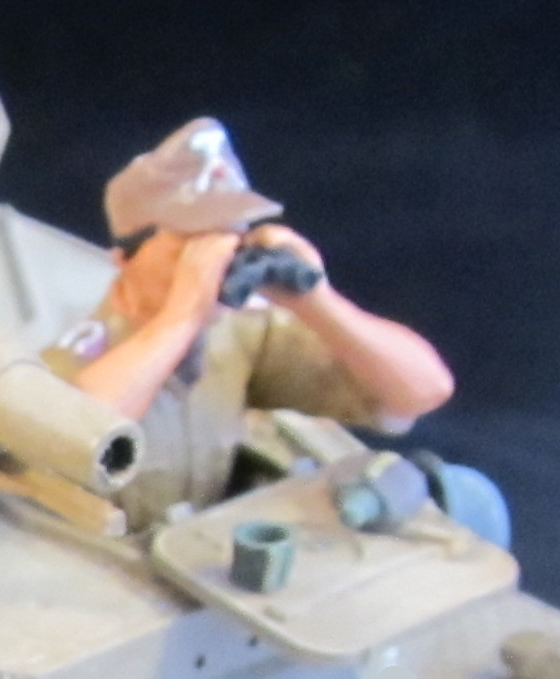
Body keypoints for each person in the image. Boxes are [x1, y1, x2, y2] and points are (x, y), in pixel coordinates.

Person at [59, 118, 457, 523]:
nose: (215, 263)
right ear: (125, 258)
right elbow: (73, 432)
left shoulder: (234, 333)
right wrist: (180, 317)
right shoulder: (83, 343)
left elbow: (423, 390)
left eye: (230, 241)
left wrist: (317, 301)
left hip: (196, 544)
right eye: (190, 245)